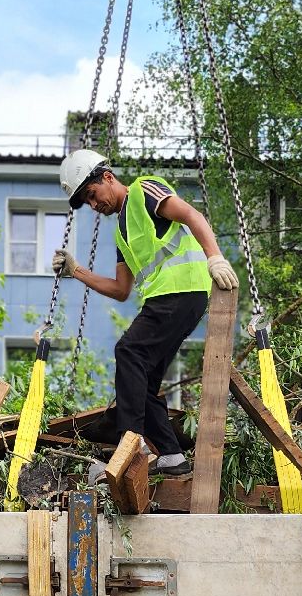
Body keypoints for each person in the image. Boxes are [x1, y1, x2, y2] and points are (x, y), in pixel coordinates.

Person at [53, 148, 239, 481]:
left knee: (128, 351)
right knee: (145, 383)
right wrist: (76, 270)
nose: (95, 206)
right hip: (166, 301)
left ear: (107, 178)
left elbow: (191, 215)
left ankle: (130, 448)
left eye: (93, 196)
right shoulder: (122, 233)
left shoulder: (144, 189)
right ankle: (171, 456)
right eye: (88, 204)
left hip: (182, 291)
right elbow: (120, 290)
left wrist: (216, 257)